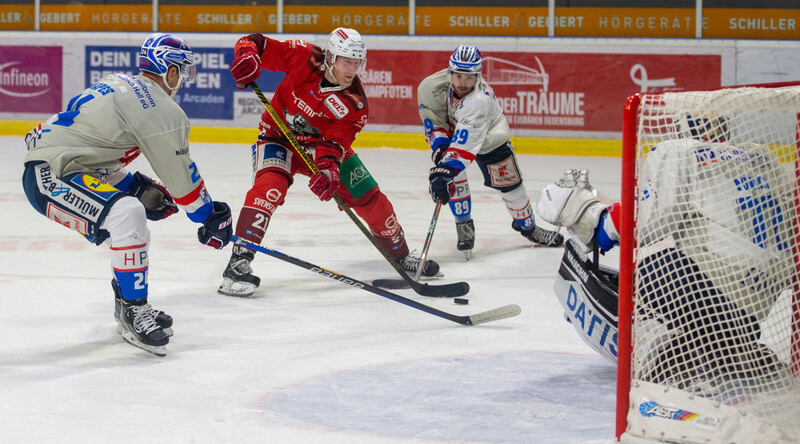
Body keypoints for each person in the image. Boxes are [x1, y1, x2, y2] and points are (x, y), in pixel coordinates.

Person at [22, 33, 233, 356]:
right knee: (127, 214)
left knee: (130, 217)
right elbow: (182, 180)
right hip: (52, 175)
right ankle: (134, 309)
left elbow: (89, 148)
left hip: (55, 165)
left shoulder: (119, 82)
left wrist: (133, 185)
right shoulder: (160, 107)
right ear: (170, 71)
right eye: (183, 71)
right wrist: (209, 216)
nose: (183, 80)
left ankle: (128, 306)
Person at [537, 138, 789, 384]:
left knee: (650, 270)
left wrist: (589, 214)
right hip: (749, 316)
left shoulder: (683, 151)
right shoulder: (766, 160)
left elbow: (647, 222)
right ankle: (732, 346)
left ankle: (663, 350)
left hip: (707, 299)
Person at [220, 27, 440, 297]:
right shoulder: (304, 56)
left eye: (356, 63)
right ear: (331, 57)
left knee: (369, 196)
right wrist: (248, 55)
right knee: (268, 189)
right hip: (278, 137)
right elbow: (256, 42)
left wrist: (328, 170)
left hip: (319, 147)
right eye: (346, 61)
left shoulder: (355, 104)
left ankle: (401, 254)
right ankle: (238, 262)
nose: (351, 69)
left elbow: (335, 143)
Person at [417, 45, 563, 260]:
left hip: (490, 138)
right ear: (449, 72)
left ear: (478, 75)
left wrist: (444, 170)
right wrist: (440, 151)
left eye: (469, 77)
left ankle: (529, 228)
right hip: (453, 131)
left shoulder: (480, 100)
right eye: (458, 75)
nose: (462, 83)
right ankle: (463, 224)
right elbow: (433, 120)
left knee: (512, 189)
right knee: (452, 176)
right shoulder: (430, 88)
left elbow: (464, 147)